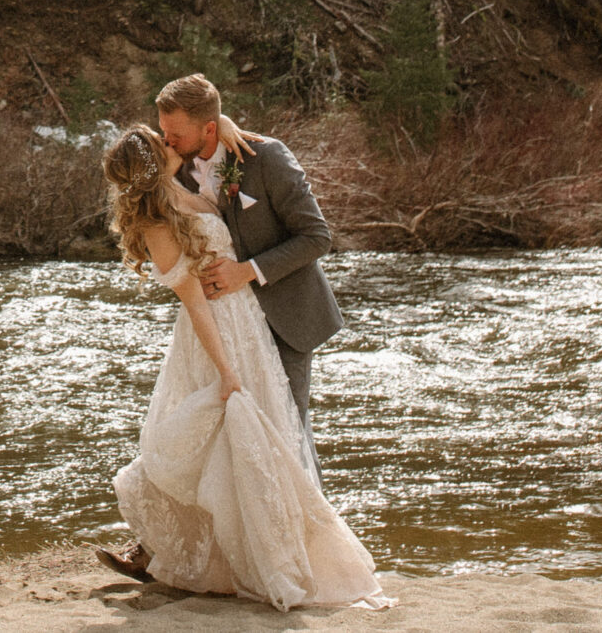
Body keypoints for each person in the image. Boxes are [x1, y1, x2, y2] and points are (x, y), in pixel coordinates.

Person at [89, 77, 392, 609]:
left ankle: (307, 555)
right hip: (226, 325)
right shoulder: (175, 162)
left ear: (208, 126)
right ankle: (163, 546)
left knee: (284, 433)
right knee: (207, 430)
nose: (167, 139)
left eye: (175, 132)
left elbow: (317, 237)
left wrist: (246, 272)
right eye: (162, 131)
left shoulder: (262, 156)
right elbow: (157, 182)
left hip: (284, 315)